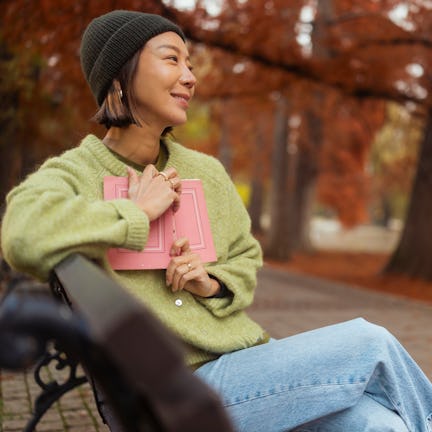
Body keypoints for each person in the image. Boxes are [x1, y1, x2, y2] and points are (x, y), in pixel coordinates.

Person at [1, 9, 432, 432]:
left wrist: (210, 281)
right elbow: (22, 234)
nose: (190, 76)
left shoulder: (205, 172)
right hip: (175, 395)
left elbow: (245, 257)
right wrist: (135, 213)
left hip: (246, 366)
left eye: (190, 64)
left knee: (380, 422)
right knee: (369, 343)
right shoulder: (77, 172)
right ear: (119, 75)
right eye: (171, 59)